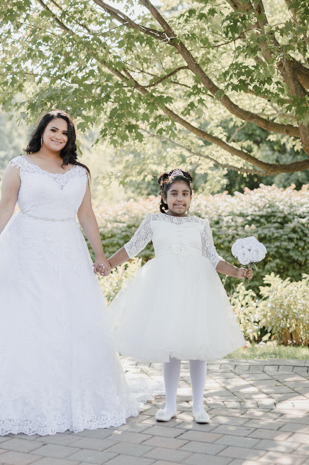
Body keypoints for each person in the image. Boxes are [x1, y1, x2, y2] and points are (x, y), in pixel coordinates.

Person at [0, 110, 138, 435]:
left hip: (68, 250)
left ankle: (74, 401)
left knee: (69, 321)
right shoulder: (19, 165)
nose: (59, 136)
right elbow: (4, 208)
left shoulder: (80, 172)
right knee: (20, 319)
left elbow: (86, 214)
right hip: (24, 248)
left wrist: (100, 255)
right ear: (42, 131)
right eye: (54, 129)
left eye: (65, 133)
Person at [106, 168, 251, 424]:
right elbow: (132, 248)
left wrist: (237, 272)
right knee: (170, 347)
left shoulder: (200, 225)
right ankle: (170, 405)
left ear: (191, 197)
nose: (179, 199)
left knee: (198, 346)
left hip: (197, 287)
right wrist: (107, 264)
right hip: (166, 289)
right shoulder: (154, 221)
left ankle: (198, 406)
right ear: (164, 197)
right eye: (174, 194)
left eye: (185, 194)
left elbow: (213, 258)